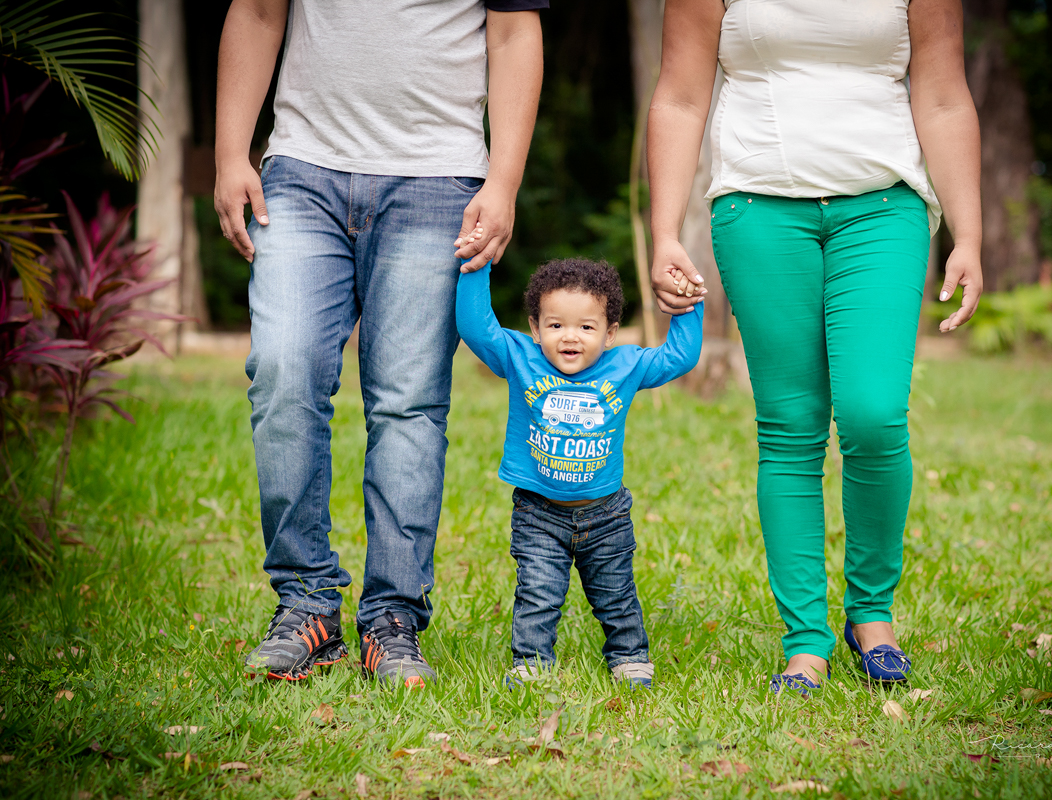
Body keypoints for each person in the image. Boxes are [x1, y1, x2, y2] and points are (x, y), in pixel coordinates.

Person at [647, 0, 983, 693]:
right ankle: (806, 642)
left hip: (883, 208)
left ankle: (872, 616)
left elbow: (945, 95)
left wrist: (969, 235)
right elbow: (680, 96)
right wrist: (665, 232)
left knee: (872, 413)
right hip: (757, 208)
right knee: (791, 427)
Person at [213, 0, 545, 687]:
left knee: (408, 403)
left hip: (437, 177)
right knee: (283, 372)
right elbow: (255, 9)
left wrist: (503, 180)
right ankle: (305, 604)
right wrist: (229, 152)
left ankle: (392, 618)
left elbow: (514, 30)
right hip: (302, 170)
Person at [456, 258, 702, 688]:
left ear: (609, 334)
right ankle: (532, 661)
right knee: (537, 594)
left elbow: (679, 357)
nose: (570, 336)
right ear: (535, 329)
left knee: (616, 594)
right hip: (538, 514)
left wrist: (686, 306)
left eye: (586, 328)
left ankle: (628, 654)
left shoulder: (625, 366)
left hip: (605, 514)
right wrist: (476, 267)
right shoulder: (520, 358)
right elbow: (476, 327)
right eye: (556, 326)